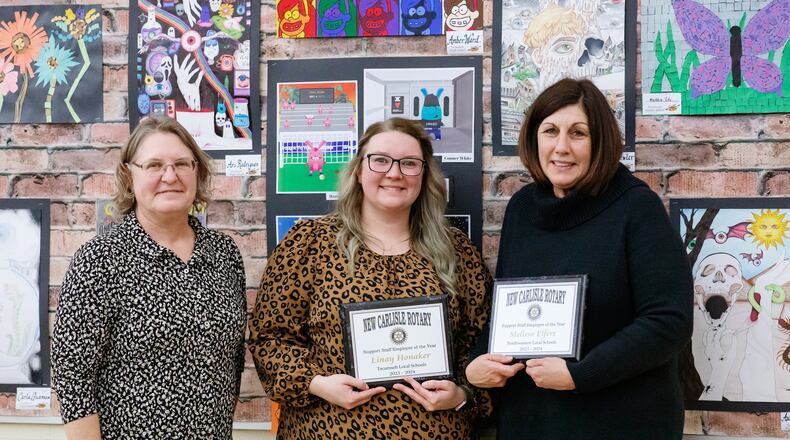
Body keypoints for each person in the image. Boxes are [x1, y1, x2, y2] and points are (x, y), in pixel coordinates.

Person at [466, 78, 693, 439]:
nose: (561, 147)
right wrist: (476, 364)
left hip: (621, 422)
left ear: (600, 140)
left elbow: (668, 321)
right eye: (550, 131)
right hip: (533, 420)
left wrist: (580, 374)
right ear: (533, 138)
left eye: (578, 133)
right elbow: (508, 310)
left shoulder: (636, 208)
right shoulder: (522, 210)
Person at [249, 117, 491, 439]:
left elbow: (480, 345)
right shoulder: (310, 243)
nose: (394, 173)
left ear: (424, 175)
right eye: (380, 160)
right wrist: (318, 384)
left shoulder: (457, 251)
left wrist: (461, 395)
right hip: (327, 429)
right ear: (359, 171)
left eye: (409, 163)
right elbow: (269, 338)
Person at [51, 116, 247, 440]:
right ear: (129, 176)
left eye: (182, 163)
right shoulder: (100, 261)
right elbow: (74, 377)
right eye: (154, 165)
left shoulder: (224, 254)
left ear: (197, 172)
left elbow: (233, 358)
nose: (170, 176)